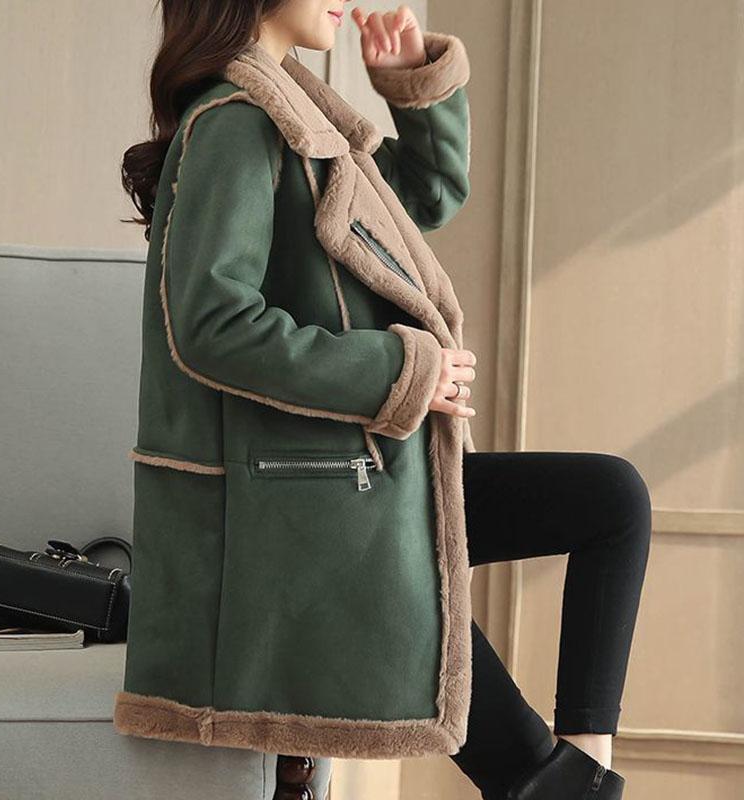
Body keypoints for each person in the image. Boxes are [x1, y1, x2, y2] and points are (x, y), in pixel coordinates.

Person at [117, 3, 651, 799]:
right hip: (302, 509)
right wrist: (402, 371)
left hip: (354, 477)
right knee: (526, 760)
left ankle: (585, 767)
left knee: (611, 499)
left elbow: (418, 204)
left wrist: (410, 88)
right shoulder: (235, 122)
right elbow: (211, 326)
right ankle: (564, 785)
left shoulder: (295, 116)